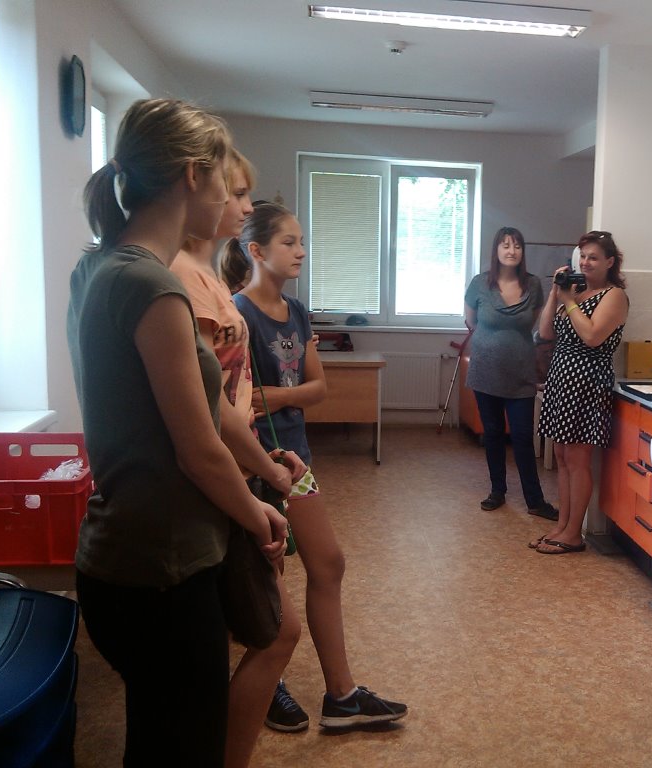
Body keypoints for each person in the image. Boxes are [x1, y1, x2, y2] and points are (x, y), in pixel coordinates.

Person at [66, 98, 289, 767]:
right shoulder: (154, 288)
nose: (231, 198)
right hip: (161, 572)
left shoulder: (98, 266)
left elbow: (209, 409)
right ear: (194, 175)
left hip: (118, 557)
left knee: (158, 741)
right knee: (182, 749)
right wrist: (257, 516)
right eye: (224, 179)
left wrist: (266, 476)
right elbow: (198, 452)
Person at [230, 202, 408, 728]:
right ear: (256, 250)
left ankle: (342, 696)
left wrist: (279, 397)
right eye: (289, 242)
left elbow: (318, 389)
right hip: (256, 467)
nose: (301, 251)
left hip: (297, 461)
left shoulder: (297, 310)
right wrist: (282, 400)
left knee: (328, 564)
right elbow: (236, 406)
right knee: (272, 582)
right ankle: (270, 684)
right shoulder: (237, 313)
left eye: (301, 241)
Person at [170, 149, 309, 763]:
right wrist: (263, 465)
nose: (247, 205)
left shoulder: (212, 282)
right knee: (273, 628)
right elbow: (209, 408)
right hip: (230, 472)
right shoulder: (184, 279)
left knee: (278, 618)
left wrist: (264, 457)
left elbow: (237, 393)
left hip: (254, 460)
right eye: (239, 193)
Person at [534, 231, 629, 554]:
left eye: (593, 257)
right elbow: (545, 332)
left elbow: (592, 336)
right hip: (562, 379)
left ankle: (574, 534)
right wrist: (555, 294)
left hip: (587, 382)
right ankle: (562, 526)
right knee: (562, 457)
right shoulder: (576, 293)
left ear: (609, 262)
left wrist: (569, 302)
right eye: (583, 256)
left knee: (578, 459)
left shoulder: (614, 296)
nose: (586, 263)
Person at [464, 226, 556, 519]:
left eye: (516, 245)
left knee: (522, 436)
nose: (511, 251)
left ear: (522, 251)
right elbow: (470, 320)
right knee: (492, 434)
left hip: (521, 373)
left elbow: (535, 323)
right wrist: (492, 343)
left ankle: (535, 501)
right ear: (496, 250)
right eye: (505, 245)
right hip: (485, 371)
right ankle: (497, 491)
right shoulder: (480, 283)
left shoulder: (533, 285)